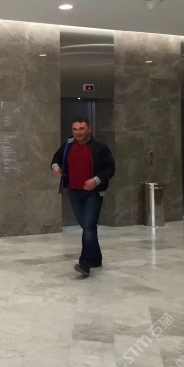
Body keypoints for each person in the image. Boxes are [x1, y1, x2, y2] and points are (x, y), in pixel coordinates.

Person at [51, 117, 115, 277]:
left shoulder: (99, 147)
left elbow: (110, 168)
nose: (78, 133)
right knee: (87, 226)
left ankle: (85, 263)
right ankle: (96, 258)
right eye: (75, 129)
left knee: (88, 225)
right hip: (74, 191)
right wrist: (55, 165)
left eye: (81, 129)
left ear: (89, 129)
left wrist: (96, 180)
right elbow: (56, 157)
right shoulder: (68, 144)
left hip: (93, 193)